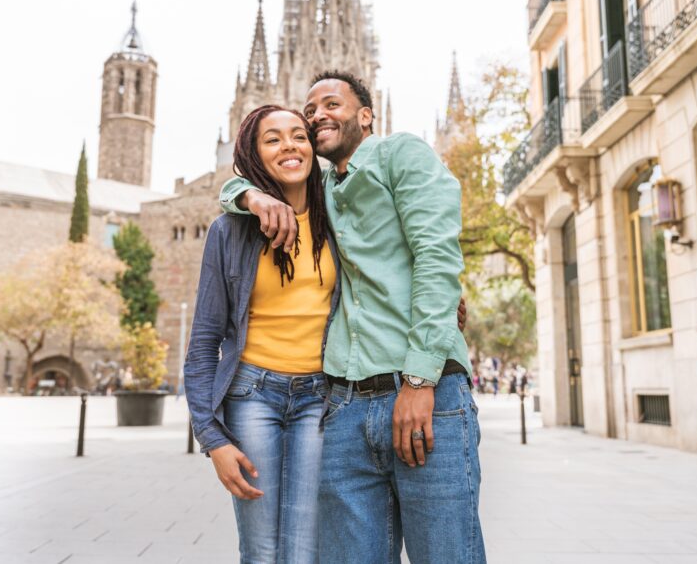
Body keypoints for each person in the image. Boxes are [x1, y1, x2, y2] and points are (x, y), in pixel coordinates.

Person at [221, 71, 486, 563]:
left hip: (425, 396)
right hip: (342, 412)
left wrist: (419, 381)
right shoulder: (318, 188)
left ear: (366, 115)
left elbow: (436, 255)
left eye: (332, 103)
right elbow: (240, 174)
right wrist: (251, 196)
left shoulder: (399, 154)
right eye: (310, 109)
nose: (318, 113)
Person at [185, 105, 340, 564]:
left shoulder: (338, 215)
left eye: (299, 136)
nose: (289, 146)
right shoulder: (230, 229)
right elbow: (203, 341)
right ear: (254, 154)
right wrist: (212, 439)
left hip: (320, 396)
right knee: (261, 550)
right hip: (253, 394)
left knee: (305, 547)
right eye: (273, 139)